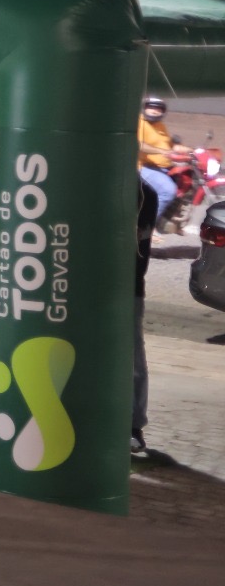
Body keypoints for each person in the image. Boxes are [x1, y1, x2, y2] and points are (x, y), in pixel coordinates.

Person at [137, 96, 188, 240]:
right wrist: (161, 151)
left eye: (158, 108)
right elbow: (139, 145)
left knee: (187, 182)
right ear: (145, 108)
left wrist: (193, 151)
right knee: (167, 191)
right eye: (151, 107)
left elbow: (171, 146)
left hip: (164, 167)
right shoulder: (139, 123)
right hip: (144, 166)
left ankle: (172, 220)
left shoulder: (160, 126)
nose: (154, 111)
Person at [132, 178, 158, 453]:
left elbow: (139, 242)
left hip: (128, 287)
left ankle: (133, 425)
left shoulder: (143, 192)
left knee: (133, 358)